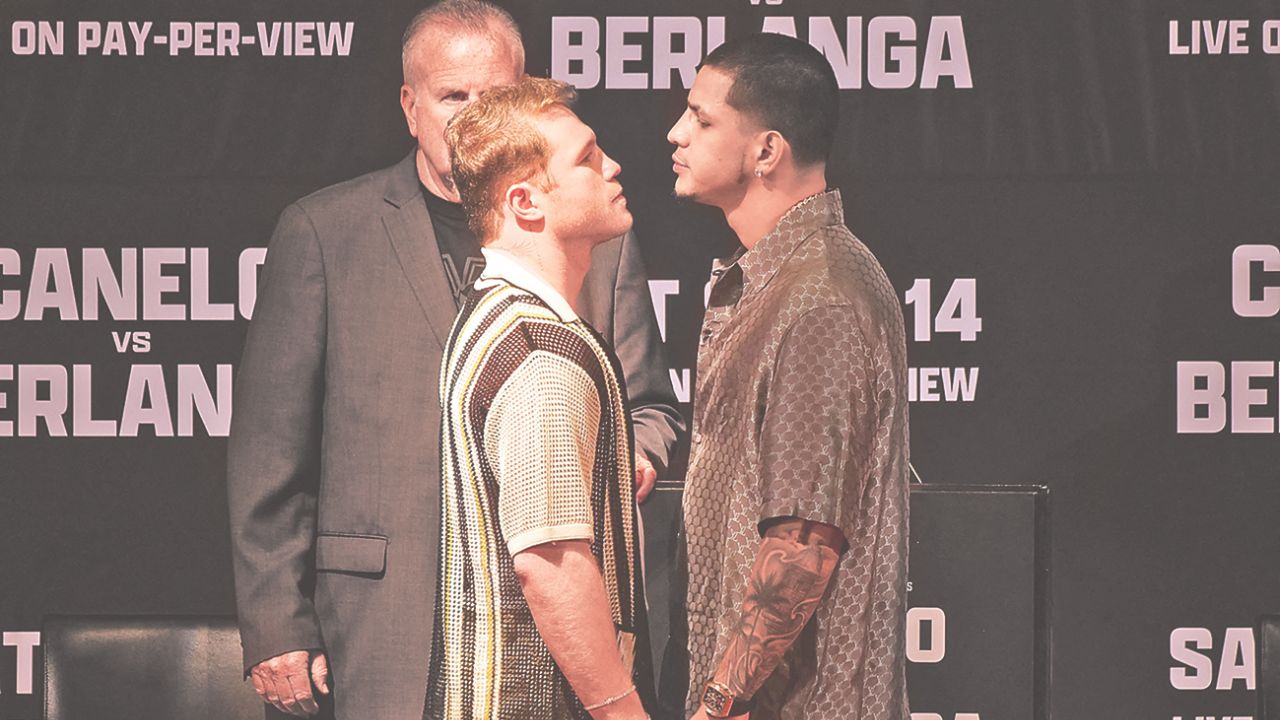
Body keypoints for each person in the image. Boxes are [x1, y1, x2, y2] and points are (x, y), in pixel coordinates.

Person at [226, 3, 681, 718]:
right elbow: (269, 445)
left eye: (492, 97)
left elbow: (647, 407)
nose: (471, 117)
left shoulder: (595, 237)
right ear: (411, 106)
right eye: (452, 97)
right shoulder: (324, 233)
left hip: (541, 631)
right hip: (385, 614)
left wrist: (620, 460)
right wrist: (276, 620)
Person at [668, 33, 910, 720]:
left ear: (766, 150)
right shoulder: (778, 281)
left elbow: (806, 540)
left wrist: (721, 698)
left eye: (702, 118)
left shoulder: (823, 297)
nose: (676, 133)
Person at [428, 75, 653, 720]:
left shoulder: (491, 315)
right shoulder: (539, 353)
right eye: (585, 158)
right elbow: (551, 567)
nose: (611, 166)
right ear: (526, 203)